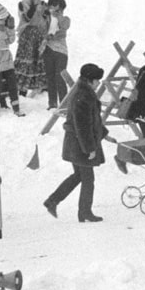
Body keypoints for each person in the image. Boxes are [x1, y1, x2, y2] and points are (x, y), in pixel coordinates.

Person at [44, 62, 108, 222]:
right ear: (90, 81)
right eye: (97, 81)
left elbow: (93, 121)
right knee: (88, 180)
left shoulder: (82, 92)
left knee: (79, 176)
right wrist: (90, 149)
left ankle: (53, 201)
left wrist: (104, 134)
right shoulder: (84, 96)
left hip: (76, 143)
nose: (98, 83)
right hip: (80, 145)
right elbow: (83, 126)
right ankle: (85, 212)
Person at [14, 0, 48, 97]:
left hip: (38, 34)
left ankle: (41, 85)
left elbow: (46, 16)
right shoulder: (22, 4)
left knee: (39, 59)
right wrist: (34, 6)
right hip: (28, 35)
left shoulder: (41, 2)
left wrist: (44, 8)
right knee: (26, 59)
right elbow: (27, 17)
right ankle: (22, 88)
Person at [42, 0, 71, 109]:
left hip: (61, 51)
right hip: (47, 49)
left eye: (58, 8)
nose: (54, 10)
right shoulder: (45, 19)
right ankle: (52, 103)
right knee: (50, 77)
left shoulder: (65, 19)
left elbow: (63, 30)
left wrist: (58, 16)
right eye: (52, 6)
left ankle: (64, 103)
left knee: (60, 76)